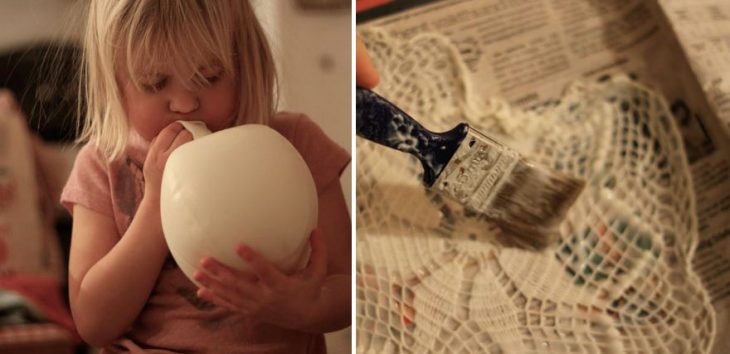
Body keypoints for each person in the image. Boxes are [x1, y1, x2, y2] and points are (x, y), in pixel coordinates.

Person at [60, 1, 351, 352]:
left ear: (244, 65)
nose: (184, 104)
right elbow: (93, 323)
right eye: (154, 83)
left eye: (209, 76)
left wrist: (306, 307)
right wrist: (154, 207)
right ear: (116, 85)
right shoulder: (102, 166)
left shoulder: (295, 144)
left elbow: (349, 289)